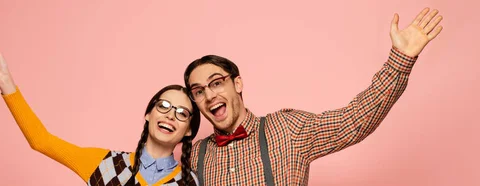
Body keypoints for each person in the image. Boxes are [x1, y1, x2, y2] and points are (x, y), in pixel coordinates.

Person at [184, 7, 443, 185]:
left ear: (237, 83)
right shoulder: (196, 155)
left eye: (216, 83)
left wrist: (401, 59)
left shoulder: (286, 129)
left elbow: (351, 122)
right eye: (198, 91)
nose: (209, 94)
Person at [0, 39, 202, 186]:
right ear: (148, 114)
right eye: (163, 106)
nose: (171, 115)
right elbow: (41, 141)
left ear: (189, 129)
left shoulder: (190, 182)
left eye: (182, 113)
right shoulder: (105, 164)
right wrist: (5, 80)